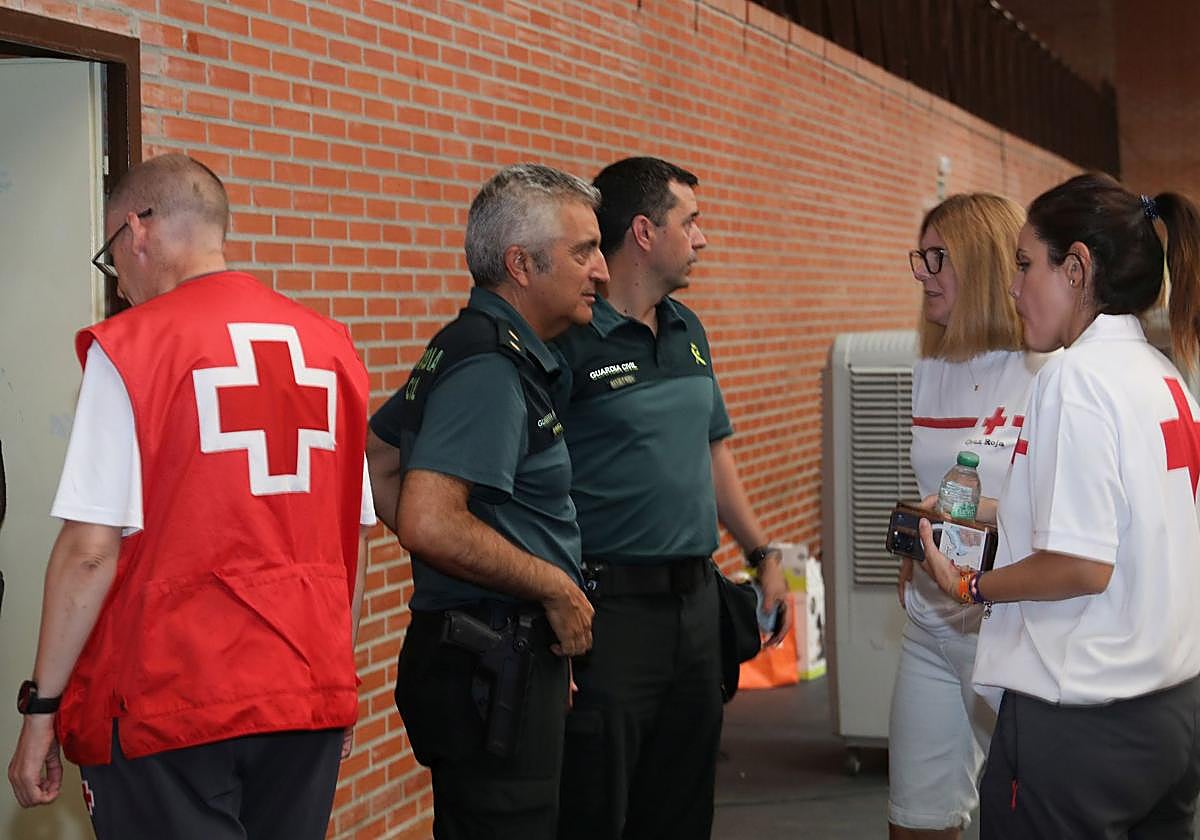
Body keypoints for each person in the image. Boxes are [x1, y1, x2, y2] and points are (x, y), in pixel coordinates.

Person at [6, 154, 374, 840]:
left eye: (111, 257)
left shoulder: (133, 348)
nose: (118, 281)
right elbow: (350, 543)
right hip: (306, 692)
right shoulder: (331, 350)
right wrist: (336, 684)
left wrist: (41, 710)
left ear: (136, 231)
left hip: (169, 702)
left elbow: (90, 553)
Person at [918, 172, 1200, 838]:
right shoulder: (1164, 375)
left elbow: (1080, 564)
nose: (1013, 288)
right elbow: (1126, 518)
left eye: (1025, 265)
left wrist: (968, 585)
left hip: (1083, 725)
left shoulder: (1075, 379)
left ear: (1076, 268)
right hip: (1173, 713)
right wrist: (988, 511)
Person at [551, 156, 790, 840]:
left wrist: (762, 553)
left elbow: (713, 454)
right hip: (610, 618)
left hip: (695, 612)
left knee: (682, 810)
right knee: (595, 811)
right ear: (644, 232)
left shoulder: (689, 331)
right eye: (691, 222)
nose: (702, 238)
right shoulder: (571, 340)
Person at [366, 163, 607, 838]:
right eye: (583, 252)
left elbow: (379, 460)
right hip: (492, 659)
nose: (601, 270)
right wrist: (551, 588)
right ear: (521, 265)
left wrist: (465, 565)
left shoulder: (474, 346)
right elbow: (428, 520)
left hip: (496, 651)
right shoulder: (490, 367)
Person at [890, 193, 1047, 839]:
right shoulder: (929, 366)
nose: (922, 274)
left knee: (1029, 820)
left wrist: (960, 512)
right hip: (931, 624)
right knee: (915, 821)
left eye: (939, 258)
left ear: (983, 264)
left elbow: (1055, 513)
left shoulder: (1046, 371)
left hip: (1008, 633)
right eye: (920, 257)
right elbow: (933, 481)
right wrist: (917, 544)